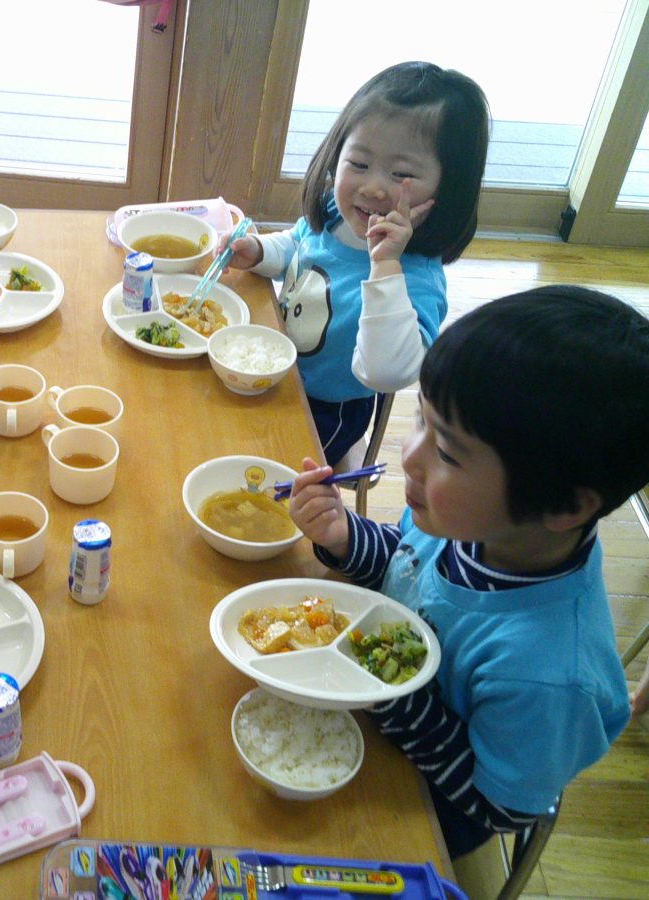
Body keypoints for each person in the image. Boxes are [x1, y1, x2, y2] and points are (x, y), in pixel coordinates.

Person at [286, 285, 649, 860]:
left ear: (564, 506)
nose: (409, 457)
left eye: (449, 453)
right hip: (368, 709)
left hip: (426, 805)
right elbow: (406, 565)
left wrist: (392, 695)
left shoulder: (552, 676)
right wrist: (342, 536)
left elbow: (499, 807)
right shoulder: (470, 521)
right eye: (421, 421)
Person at [225, 61, 489, 468]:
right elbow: (297, 244)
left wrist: (385, 265)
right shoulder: (336, 213)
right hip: (274, 371)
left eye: (401, 173)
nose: (373, 187)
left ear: (448, 187)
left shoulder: (415, 277)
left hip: (325, 412)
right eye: (359, 164)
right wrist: (259, 252)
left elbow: (384, 372)